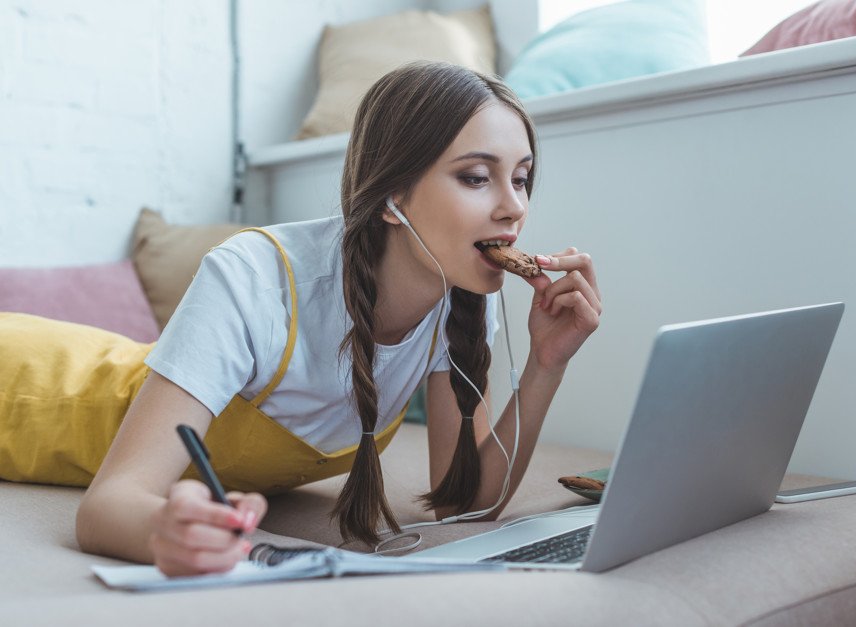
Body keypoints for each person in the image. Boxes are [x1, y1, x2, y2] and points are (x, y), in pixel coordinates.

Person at [0, 62, 601, 576]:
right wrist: (163, 529)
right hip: (30, 387)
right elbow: (108, 506)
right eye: (476, 177)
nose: (514, 206)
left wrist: (548, 363)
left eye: (521, 178)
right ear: (393, 195)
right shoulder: (254, 279)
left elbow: (462, 503)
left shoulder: (460, 300)